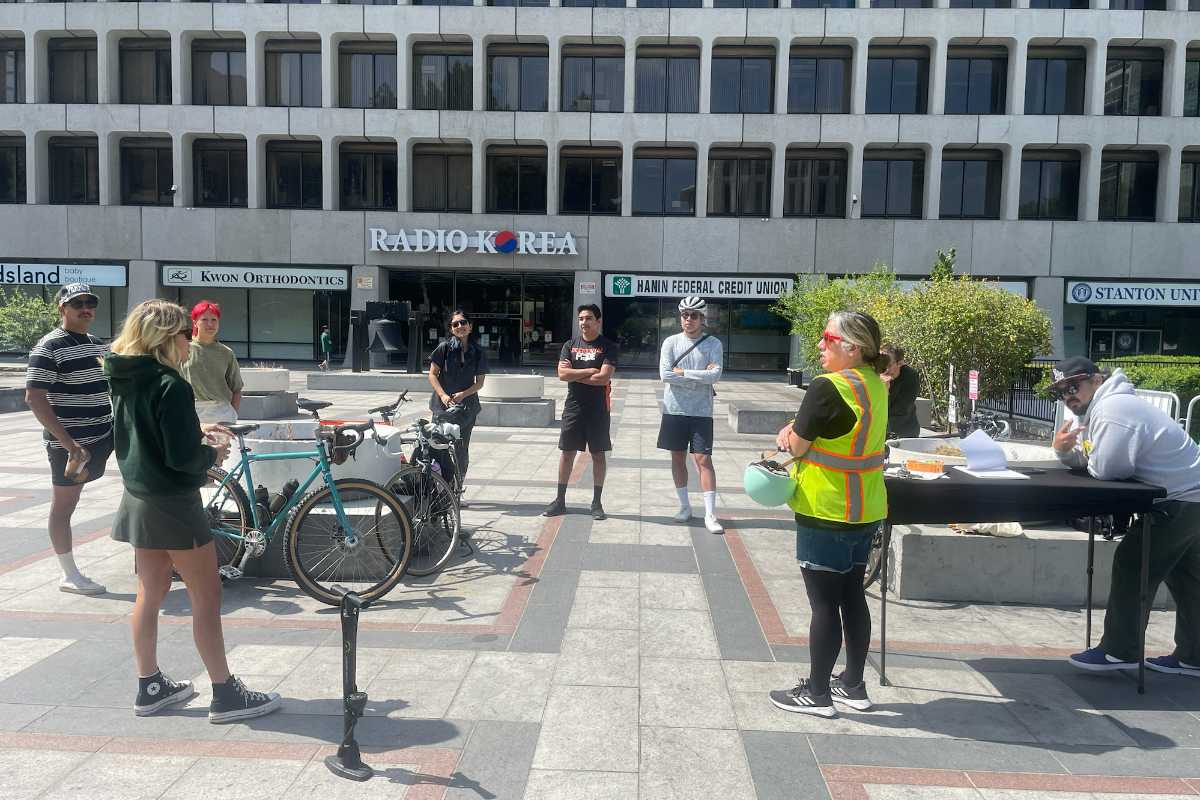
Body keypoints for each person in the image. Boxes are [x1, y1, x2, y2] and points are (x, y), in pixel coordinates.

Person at [105, 299, 282, 722]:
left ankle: (150, 686)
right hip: (173, 502)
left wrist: (194, 428)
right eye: (186, 332)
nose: (191, 339)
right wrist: (212, 454)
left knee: (150, 592)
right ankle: (225, 694)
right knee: (208, 593)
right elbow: (184, 458)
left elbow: (146, 430)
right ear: (168, 337)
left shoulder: (125, 375)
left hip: (139, 497)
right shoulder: (170, 383)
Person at [769, 311, 890, 717]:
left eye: (826, 338)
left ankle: (818, 693)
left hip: (827, 508)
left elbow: (799, 445)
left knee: (823, 604)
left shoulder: (827, 386)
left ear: (852, 348)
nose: (819, 345)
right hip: (867, 507)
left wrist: (790, 435)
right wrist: (797, 431)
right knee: (853, 596)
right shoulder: (875, 383)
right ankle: (853, 684)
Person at [1049, 357, 1200, 678]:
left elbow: (1107, 470)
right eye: (1061, 392)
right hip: (1190, 496)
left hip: (1178, 500)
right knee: (1188, 578)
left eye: (1073, 386)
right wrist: (1064, 450)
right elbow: (1098, 461)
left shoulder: (1113, 410)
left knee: (1133, 565)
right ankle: (1194, 656)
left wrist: (1075, 456)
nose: (1067, 396)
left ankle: (1120, 650)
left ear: (1096, 380)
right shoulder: (1111, 406)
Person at [24, 283, 114, 596]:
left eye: (90, 302)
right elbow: (34, 397)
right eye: (77, 303)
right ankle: (69, 574)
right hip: (73, 445)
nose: (85, 307)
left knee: (141, 481)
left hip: (106, 433)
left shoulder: (96, 344)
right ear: (62, 308)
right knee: (64, 506)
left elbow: (109, 387)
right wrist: (67, 443)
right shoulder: (49, 347)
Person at [544, 304, 618, 521]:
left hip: (598, 410)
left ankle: (596, 503)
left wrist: (574, 373)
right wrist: (588, 371)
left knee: (598, 455)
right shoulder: (570, 345)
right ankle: (560, 501)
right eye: (581, 319)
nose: (584, 322)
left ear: (598, 321)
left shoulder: (608, 346)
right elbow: (561, 375)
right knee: (567, 453)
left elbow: (603, 379)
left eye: (589, 318)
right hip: (573, 408)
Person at [658, 296, 724, 534]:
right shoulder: (671, 342)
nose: (688, 319)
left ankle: (710, 513)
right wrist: (697, 380)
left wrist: (683, 373)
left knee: (703, 460)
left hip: (701, 412)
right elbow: (665, 375)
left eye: (693, 315)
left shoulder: (713, 343)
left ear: (702, 318)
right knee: (677, 457)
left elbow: (715, 375)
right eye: (684, 315)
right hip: (673, 410)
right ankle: (684, 506)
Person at [428, 309, 489, 500]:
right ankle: (440, 488)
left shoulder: (478, 353)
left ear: (470, 326)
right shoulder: (443, 349)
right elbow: (432, 374)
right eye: (455, 324)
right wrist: (443, 395)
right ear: (451, 329)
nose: (460, 326)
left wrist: (463, 394)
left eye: (463, 323)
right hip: (442, 407)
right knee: (439, 449)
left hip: (466, 408)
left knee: (461, 450)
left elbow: (479, 382)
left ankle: (457, 489)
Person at [180, 300, 243, 424]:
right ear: (195, 323)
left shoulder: (226, 352)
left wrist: (233, 415)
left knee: (221, 445)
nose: (210, 324)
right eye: (204, 319)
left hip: (222, 413)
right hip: (192, 410)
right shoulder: (184, 347)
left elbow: (236, 388)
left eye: (214, 320)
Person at [880, 343, 920, 439]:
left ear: (900, 363)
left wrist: (884, 391)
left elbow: (899, 411)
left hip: (905, 431)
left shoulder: (910, 377)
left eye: (888, 365)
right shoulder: (874, 374)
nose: (883, 370)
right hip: (877, 431)